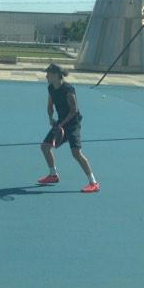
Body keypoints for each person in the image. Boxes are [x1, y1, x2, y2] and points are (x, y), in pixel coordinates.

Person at [38, 63, 100, 193]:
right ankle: (53, 175)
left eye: (48, 73)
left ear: (55, 75)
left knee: (76, 153)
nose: (46, 76)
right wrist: (51, 118)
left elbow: (73, 110)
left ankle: (93, 183)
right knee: (45, 146)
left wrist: (61, 124)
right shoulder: (51, 88)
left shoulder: (68, 89)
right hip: (60, 123)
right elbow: (50, 106)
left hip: (73, 124)